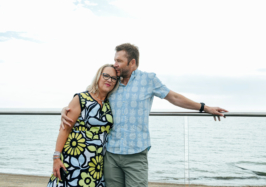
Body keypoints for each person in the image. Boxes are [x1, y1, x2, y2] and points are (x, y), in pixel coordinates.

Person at [60, 43, 228, 187]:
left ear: (132, 62)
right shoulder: (112, 81)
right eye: (114, 60)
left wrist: (204, 108)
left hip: (136, 155)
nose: (115, 64)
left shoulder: (149, 80)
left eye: (119, 60)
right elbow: (91, 96)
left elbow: (174, 97)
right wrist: (66, 109)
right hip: (110, 154)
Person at [47, 64, 119, 187]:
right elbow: (65, 129)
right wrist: (56, 158)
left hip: (96, 166)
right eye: (106, 75)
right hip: (73, 161)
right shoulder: (81, 98)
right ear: (98, 77)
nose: (109, 80)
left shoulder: (110, 104)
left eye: (113, 78)